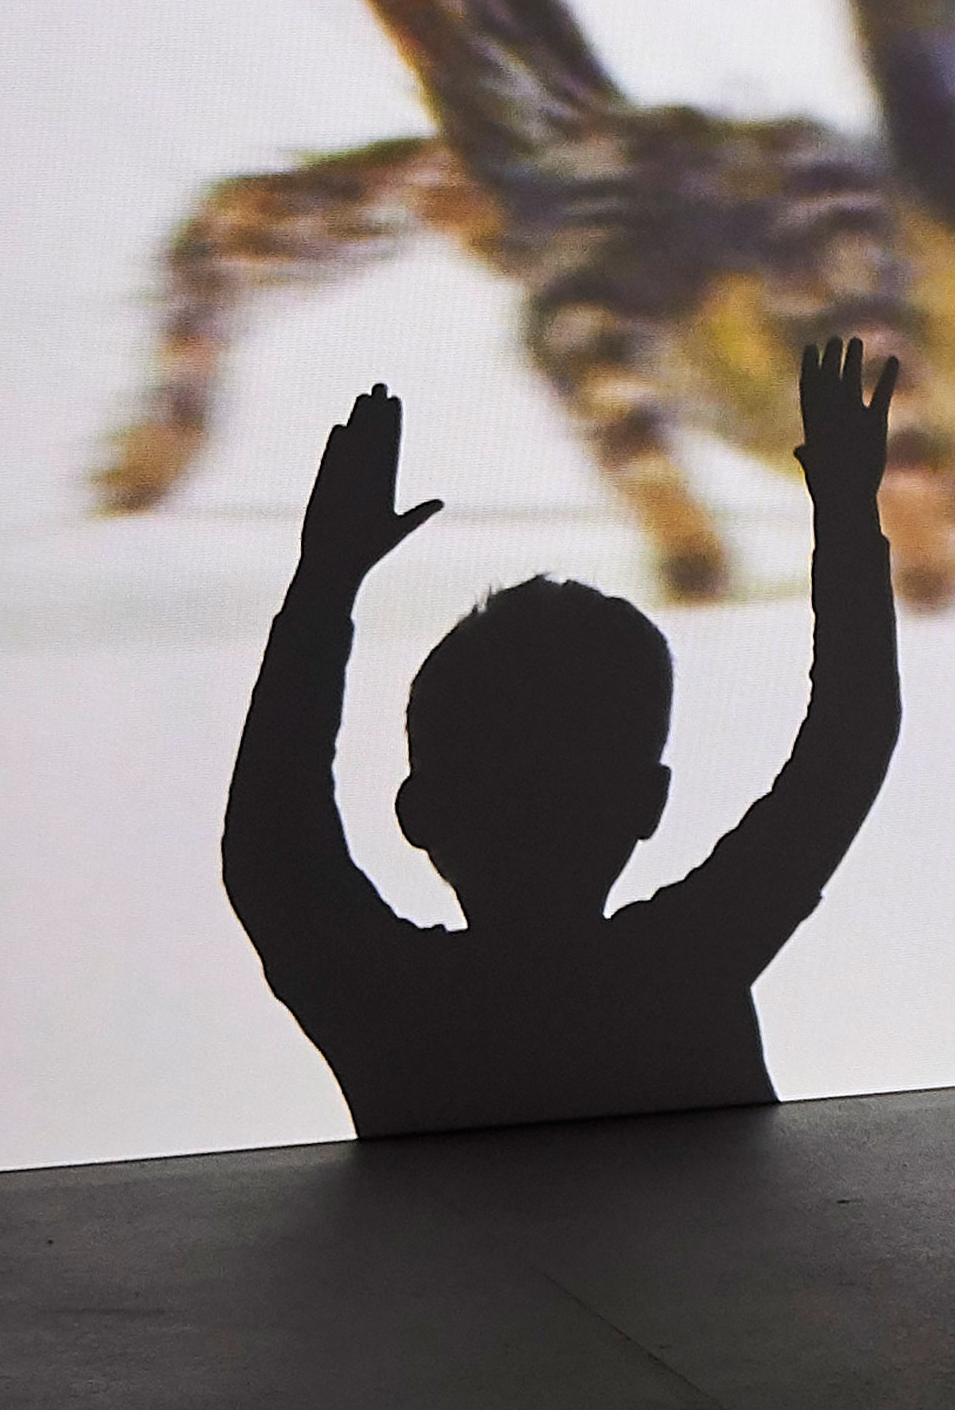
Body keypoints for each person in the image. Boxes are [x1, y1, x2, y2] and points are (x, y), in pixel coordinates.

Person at [221, 341, 905, 1138]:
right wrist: (848, 509)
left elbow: (272, 837)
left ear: (418, 811)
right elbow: (848, 739)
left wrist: (326, 579)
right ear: (648, 802)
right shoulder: (681, 968)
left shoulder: (377, 998)